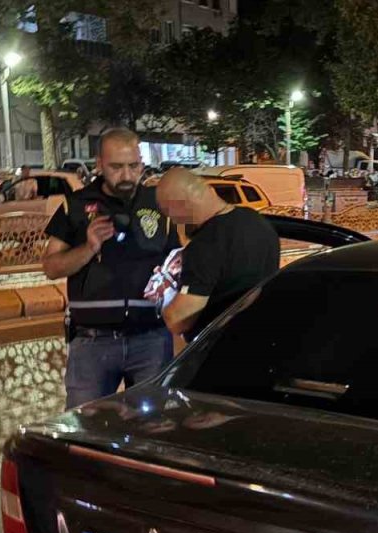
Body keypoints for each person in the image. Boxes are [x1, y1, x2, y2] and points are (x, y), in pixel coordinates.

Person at [43, 127, 181, 409]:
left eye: (133, 166)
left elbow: (176, 263)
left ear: (142, 164)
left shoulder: (159, 204)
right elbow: (51, 267)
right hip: (93, 343)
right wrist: (89, 246)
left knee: (152, 431)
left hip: (151, 340)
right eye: (116, 167)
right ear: (99, 165)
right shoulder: (76, 206)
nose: (127, 175)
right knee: (84, 430)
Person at [155, 168, 280, 340]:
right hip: (262, 340)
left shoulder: (205, 245)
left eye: (169, 213)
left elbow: (179, 320)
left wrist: (165, 291)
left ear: (178, 206)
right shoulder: (258, 222)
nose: (175, 222)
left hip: (220, 352)